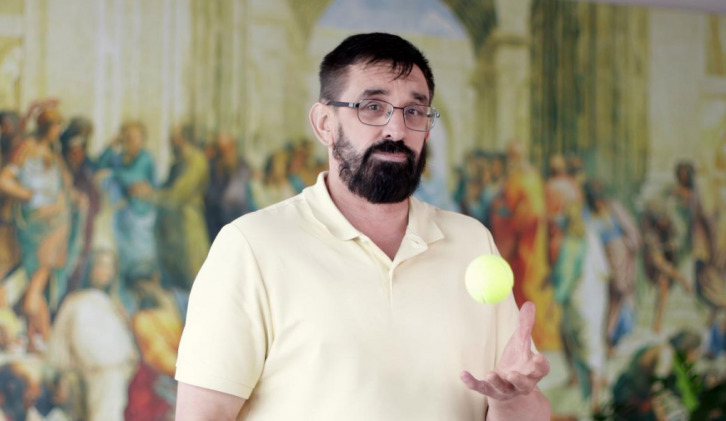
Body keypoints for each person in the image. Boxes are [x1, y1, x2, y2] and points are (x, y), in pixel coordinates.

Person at [175, 33, 550, 421]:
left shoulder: (473, 242)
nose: (396, 130)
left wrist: (513, 399)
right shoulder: (250, 246)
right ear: (324, 123)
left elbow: (525, 410)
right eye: (372, 107)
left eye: (414, 111)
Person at [46, 249, 138, 421]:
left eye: (110, 266)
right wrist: (115, 360)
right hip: (96, 376)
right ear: (90, 268)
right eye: (101, 265)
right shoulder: (79, 302)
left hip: (114, 377)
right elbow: (85, 345)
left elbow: (124, 342)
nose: (106, 271)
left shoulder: (111, 304)